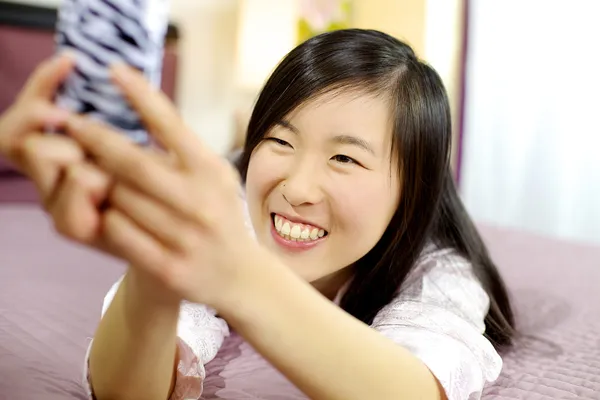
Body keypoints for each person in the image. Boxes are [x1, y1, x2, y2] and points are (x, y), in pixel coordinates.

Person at [0, 29, 515, 400]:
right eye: (279, 140)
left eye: (344, 158)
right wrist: (156, 268)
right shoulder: (230, 207)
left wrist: (238, 278)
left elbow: (416, 388)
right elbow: (124, 391)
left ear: (414, 188)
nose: (295, 188)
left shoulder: (438, 270)